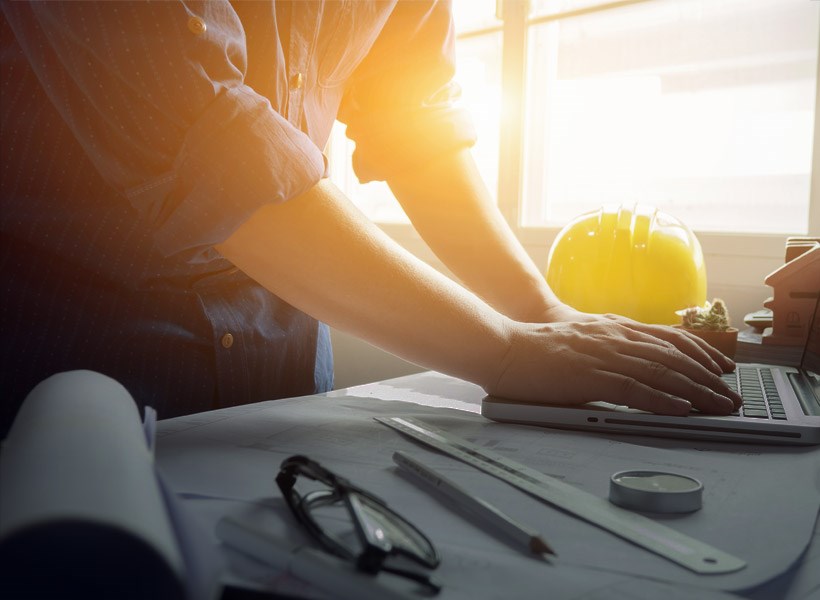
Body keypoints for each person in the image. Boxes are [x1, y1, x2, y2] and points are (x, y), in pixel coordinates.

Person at [0, 1, 741, 438]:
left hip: (282, 364)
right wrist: (506, 352)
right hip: (70, 369)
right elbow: (210, 148)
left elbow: (412, 119)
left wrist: (537, 312)